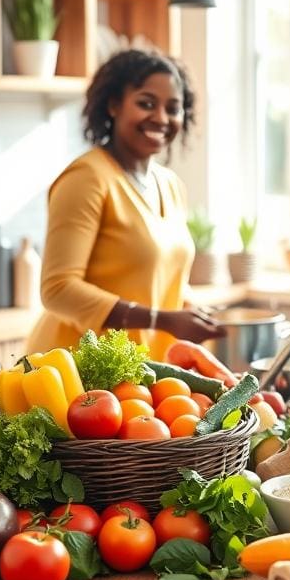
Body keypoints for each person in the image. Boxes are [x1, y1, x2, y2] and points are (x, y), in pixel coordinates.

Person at [27, 49, 222, 355]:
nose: (160, 118)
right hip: (75, 371)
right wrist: (162, 320)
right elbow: (58, 289)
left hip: (138, 371)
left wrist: (193, 310)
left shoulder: (170, 185)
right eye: (146, 104)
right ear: (114, 105)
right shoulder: (87, 178)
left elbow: (158, 279)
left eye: (173, 108)